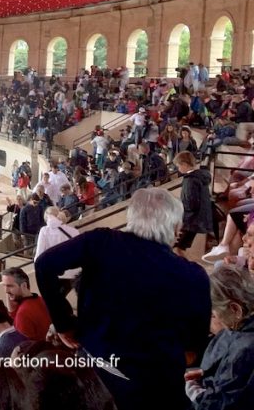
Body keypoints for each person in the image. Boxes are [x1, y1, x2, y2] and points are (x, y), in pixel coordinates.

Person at [35, 187, 211, 410]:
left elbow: (43, 265)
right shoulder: (194, 276)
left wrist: (64, 323)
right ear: (176, 227)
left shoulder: (100, 241)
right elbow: (191, 350)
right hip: (156, 392)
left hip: (95, 382)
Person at [184, 264, 254, 410]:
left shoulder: (245, 347)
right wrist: (206, 372)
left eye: (213, 314)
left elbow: (226, 403)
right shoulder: (240, 328)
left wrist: (196, 394)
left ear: (235, 309)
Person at [174, 151, 215, 256]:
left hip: (191, 221)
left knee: (179, 249)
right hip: (198, 219)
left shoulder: (190, 180)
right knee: (179, 247)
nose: (178, 169)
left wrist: (183, 218)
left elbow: (190, 203)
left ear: (184, 164)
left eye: (178, 166)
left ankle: (184, 269)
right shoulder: (200, 176)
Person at [0, 267, 51, 341]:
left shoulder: (23, 313)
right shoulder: (42, 300)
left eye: (10, 286)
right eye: (4, 286)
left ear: (24, 286)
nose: (6, 291)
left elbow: (23, 347)